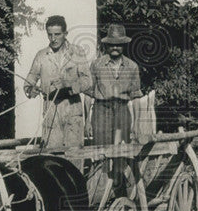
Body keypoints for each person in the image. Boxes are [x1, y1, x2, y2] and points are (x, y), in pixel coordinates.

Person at [23, 15, 92, 151]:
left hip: (73, 107)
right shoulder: (41, 56)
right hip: (51, 109)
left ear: (65, 34)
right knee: (52, 155)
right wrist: (31, 90)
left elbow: (88, 81)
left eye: (57, 34)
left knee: (74, 155)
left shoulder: (77, 52)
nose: (53, 39)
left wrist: (68, 84)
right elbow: (29, 81)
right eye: (50, 35)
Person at [89, 23, 143, 146]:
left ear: (124, 45)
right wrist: (87, 120)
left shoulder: (132, 66)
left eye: (118, 44)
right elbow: (89, 94)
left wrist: (137, 123)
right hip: (101, 110)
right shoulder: (96, 65)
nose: (115, 47)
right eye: (111, 44)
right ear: (107, 45)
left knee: (121, 151)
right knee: (101, 152)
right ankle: (102, 165)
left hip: (122, 111)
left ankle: (120, 165)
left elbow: (135, 97)